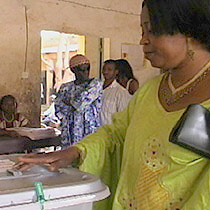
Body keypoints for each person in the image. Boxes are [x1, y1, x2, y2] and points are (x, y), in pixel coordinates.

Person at [15, 0, 210, 209]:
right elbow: (116, 134)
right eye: (142, 31)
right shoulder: (150, 90)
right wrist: (74, 151)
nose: (143, 40)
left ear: (189, 30)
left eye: (152, 30)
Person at [54, 54, 103, 148]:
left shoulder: (96, 84)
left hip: (88, 132)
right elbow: (58, 110)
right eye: (82, 70)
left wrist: (69, 102)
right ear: (74, 70)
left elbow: (80, 104)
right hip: (69, 134)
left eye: (88, 69)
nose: (86, 72)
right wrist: (75, 104)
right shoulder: (65, 87)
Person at [100, 59, 131, 126]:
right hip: (95, 131)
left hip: (109, 133)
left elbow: (122, 117)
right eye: (104, 69)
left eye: (109, 69)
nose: (105, 72)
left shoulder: (121, 92)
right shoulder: (96, 88)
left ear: (116, 72)